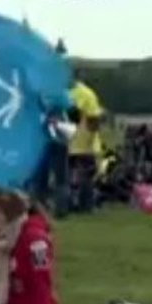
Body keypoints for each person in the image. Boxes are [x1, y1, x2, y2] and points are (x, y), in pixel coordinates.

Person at [67, 73, 103, 215]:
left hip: (65, 140)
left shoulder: (61, 93)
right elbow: (93, 118)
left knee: (68, 176)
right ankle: (86, 206)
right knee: (87, 175)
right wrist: (91, 139)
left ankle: (69, 204)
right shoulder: (87, 94)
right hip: (83, 142)